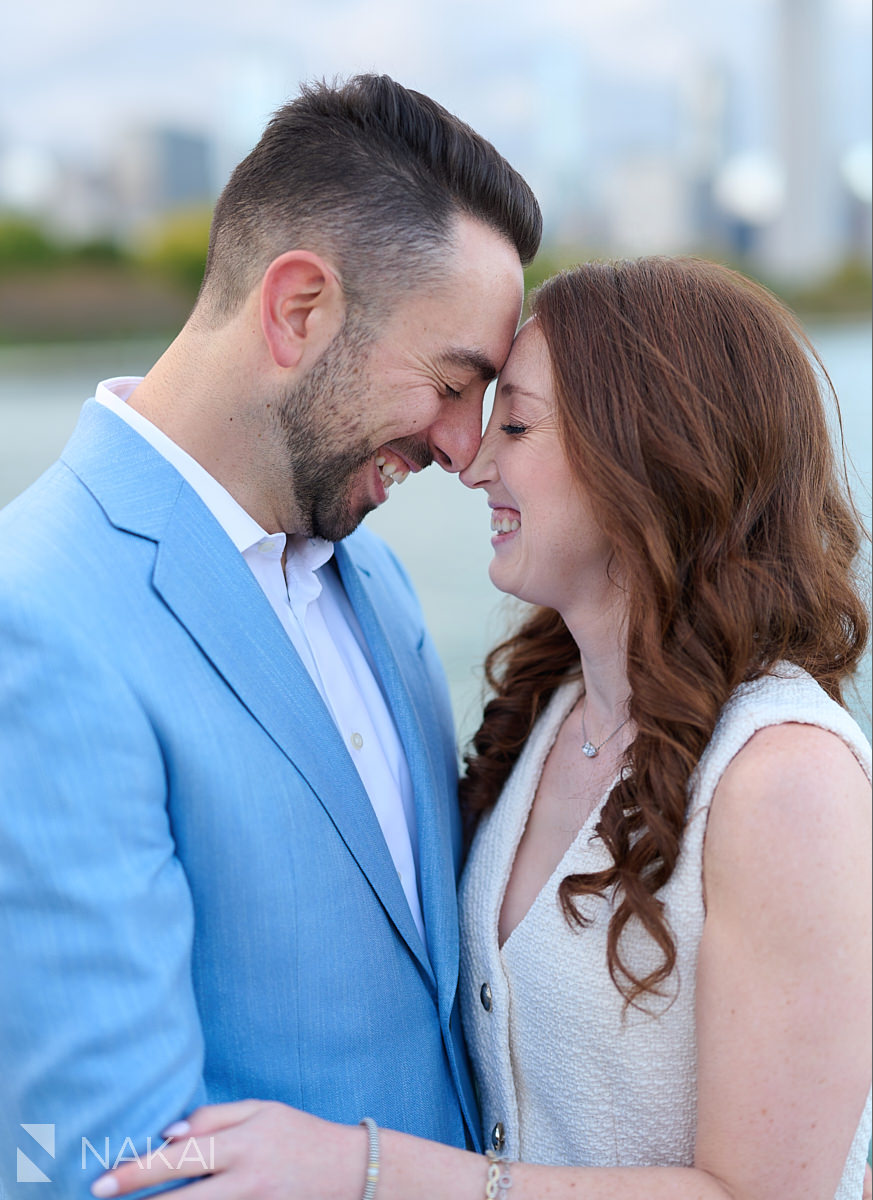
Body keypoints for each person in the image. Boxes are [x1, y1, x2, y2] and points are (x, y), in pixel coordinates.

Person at [94, 256, 871, 1200]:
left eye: (516, 423)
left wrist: (363, 1167)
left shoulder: (782, 775)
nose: (472, 462)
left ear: (650, 448)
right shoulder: (551, 713)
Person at [0, 74, 542, 1196]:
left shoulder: (377, 582)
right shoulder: (36, 617)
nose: (461, 447)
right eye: (451, 383)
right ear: (301, 309)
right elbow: (112, 1161)